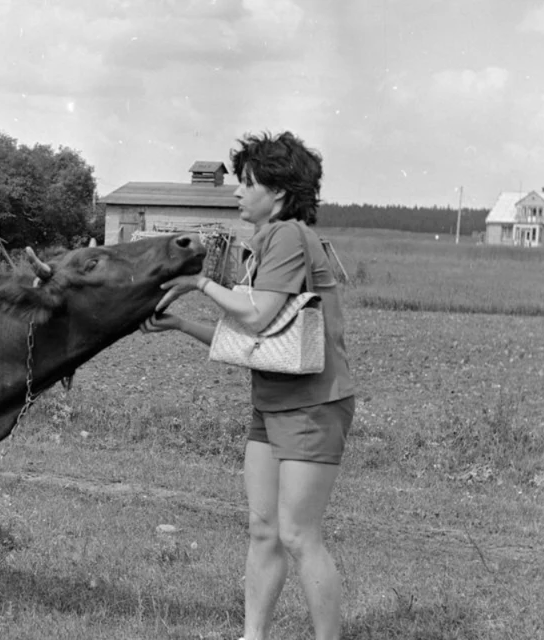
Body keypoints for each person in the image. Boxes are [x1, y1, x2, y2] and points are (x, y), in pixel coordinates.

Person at [141, 131, 355, 640]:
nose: (237, 192)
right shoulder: (268, 244)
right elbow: (253, 341)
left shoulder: (286, 236)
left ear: (277, 193)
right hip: (275, 400)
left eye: (247, 183)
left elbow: (257, 317)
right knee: (264, 530)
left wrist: (199, 284)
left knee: (298, 535)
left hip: (312, 406)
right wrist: (182, 326)